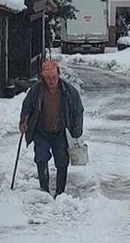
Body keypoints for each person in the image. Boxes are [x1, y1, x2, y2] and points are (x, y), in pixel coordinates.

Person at [18, 55, 83, 195]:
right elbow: (26, 107)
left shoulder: (69, 92)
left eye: (53, 77)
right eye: (48, 78)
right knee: (40, 157)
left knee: (62, 161)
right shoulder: (36, 91)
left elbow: (78, 111)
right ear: (43, 78)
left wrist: (76, 132)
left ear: (58, 74)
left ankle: (60, 191)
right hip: (41, 131)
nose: (51, 81)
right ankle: (44, 190)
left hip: (60, 131)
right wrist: (23, 122)